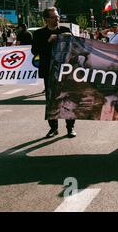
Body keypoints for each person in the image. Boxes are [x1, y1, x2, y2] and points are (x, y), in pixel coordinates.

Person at [32, 7, 77, 138]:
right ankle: (53, 128)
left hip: (65, 70)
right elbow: (34, 51)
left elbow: (76, 48)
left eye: (57, 16)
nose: (57, 19)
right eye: (53, 17)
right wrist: (48, 41)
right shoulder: (39, 33)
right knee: (51, 100)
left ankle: (70, 127)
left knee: (68, 98)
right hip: (49, 71)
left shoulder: (65, 30)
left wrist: (71, 39)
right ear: (46, 19)